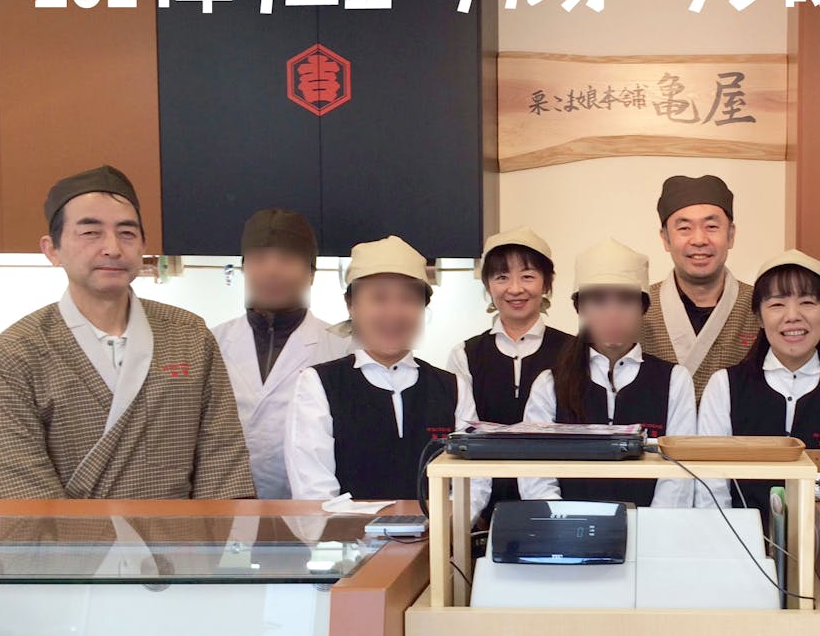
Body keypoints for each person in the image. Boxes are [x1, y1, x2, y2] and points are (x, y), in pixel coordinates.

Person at [0, 165, 253, 499]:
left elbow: (224, 463)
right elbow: (19, 487)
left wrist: (213, 532)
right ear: (52, 249)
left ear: (143, 244)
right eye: (91, 232)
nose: (112, 248)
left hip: (179, 532)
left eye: (127, 233)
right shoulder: (14, 354)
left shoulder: (189, 335)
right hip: (68, 535)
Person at [285, 235, 488, 518]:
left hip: (437, 539)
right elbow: (314, 489)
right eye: (379, 298)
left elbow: (473, 481)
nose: (394, 312)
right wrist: (365, 535)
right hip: (346, 541)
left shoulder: (453, 387)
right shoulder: (318, 384)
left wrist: (442, 528)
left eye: (407, 299)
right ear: (351, 305)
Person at [521, 238, 697, 507]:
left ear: (643, 308)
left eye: (625, 300)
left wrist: (650, 524)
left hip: (651, 527)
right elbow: (535, 473)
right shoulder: (549, 384)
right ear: (580, 307)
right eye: (599, 301)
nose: (613, 313)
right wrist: (565, 522)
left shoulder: (674, 380)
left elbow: (677, 476)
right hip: (569, 527)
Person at [698, 249, 820, 521]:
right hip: (740, 537)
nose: (792, 316)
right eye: (777, 304)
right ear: (759, 316)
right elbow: (711, 483)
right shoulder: (724, 386)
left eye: (807, 302)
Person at [213, 209, 350, 499]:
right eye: (259, 259)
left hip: (313, 505)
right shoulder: (212, 342)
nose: (271, 271)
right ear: (244, 269)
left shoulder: (341, 348)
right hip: (227, 504)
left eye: (286, 259)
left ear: (311, 274)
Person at [447, 228, 572, 516]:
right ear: (488, 286)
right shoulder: (465, 354)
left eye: (527, 276)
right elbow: (462, 439)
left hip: (559, 502)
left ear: (547, 283)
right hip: (482, 507)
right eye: (501, 277)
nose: (515, 289)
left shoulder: (573, 352)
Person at [641, 175, 762, 401]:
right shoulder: (638, 307)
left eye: (711, 227)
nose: (699, 239)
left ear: (731, 235)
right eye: (684, 228)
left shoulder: (761, 306)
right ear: (665, 239)